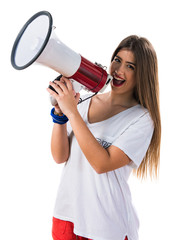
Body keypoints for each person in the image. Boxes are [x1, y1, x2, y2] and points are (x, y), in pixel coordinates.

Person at [47, 35, 161, 240]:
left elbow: (102, 163)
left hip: (105, 226)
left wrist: (72, 111)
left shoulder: (142, 118)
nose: (119, 70)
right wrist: (60, 116)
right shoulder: (84, 101)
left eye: (130, 66)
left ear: (142, 74)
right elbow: (60, 156)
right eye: (117, 60)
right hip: (67, 216)